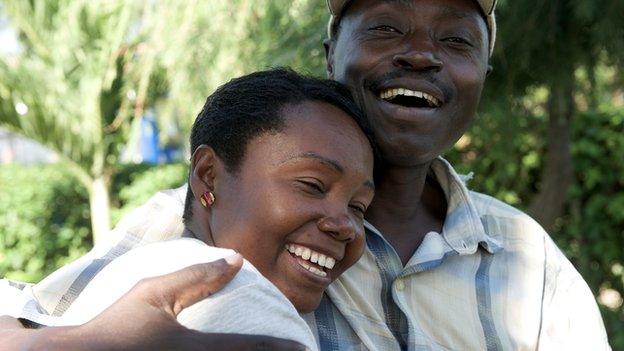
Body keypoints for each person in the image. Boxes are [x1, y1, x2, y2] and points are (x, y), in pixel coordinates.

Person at [0, 0, 611, 350]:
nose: (421, 54)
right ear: (331, 55)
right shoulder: (203, 226)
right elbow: (26, 317)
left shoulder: (529, 261)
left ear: (483, 74)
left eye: (456, 40)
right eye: (387, 28)